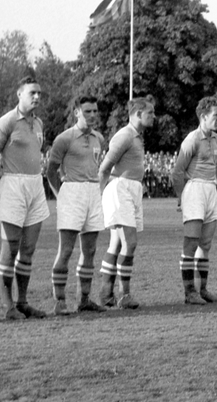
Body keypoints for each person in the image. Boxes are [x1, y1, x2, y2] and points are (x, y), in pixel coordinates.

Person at [0, 74, 50, 320]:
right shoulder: (7, 122)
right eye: (32, 93)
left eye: (39, 93)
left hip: (35, 185)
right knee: (11, 246)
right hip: (12, 184)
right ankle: (8, 306)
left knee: (28, 248)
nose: (37, 97)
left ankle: (22, 302)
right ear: (19, 94)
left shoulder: (39, 123)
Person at [46, 96, 108, 314]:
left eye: (95, 111)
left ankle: (84, 299)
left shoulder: (98, 138)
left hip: (92, 191)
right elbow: (50, 171)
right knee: (66, 250)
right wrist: (61, 195)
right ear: (76, 113)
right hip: (72, 191)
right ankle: (60, 301)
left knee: (90, 250)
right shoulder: (64, 138)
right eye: (87, 111)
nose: (92, 115)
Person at [97, 97, 156, 308]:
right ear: (138, 114)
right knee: (130, 243)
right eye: (150, 113)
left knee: (117, 243)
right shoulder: (124, 135)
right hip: (119, 189)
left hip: (131, 189)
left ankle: (106, 293)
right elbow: (105, 168)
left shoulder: (137, 136)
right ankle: (124, 295)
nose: (154, 116)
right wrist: (99, 195)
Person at [172, 97, 217, 304]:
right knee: (191, 243)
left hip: (211, 189)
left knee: (206, 244)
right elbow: (177, 171)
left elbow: (215, 166)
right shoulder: (192, 139)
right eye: (216, 115)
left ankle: (203, 290)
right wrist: (181, 197)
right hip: (194, 189)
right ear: (203, 116)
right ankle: (189, 292)